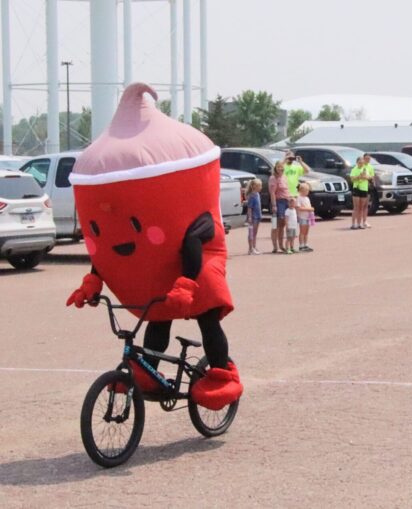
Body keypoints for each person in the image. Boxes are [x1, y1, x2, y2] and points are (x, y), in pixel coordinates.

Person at [66, 83, 242, 410]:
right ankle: (148, 374)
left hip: (198, 263)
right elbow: (106, 244)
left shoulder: (200, 219)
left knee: (206, 316)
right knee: (157, 316)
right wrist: (94, 279)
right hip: (163, 268)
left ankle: (221, 373)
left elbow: (192, 241)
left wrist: (187, 283)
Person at [268, 161, 290, 253]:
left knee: (283, 224)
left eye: (281, 167)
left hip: (286, 201)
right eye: (278, 167)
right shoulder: (273, 178)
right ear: (275, 168)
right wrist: (274, 205)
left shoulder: (284, 177)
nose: (280, 169)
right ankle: (275, 246)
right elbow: (272, 193)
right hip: (278, 202)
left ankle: (281, 245)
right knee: (276, 225)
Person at [350, 157, 371, 229]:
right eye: (359, 163)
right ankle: (353, 223)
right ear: (357, 163)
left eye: (362, 163)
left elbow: (368, 177)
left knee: (361, 207)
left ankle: (359, 223)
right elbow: (352, 179)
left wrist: (365, 176)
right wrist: (359, 176)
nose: (361, 164)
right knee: (356, 207)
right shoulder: (354, 169)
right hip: (356, 188)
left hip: (364, 189)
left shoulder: (365, 169)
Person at [245, 179, 263, 255]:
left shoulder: (257, 194)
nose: (260, 187)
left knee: (255, 233)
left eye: (260, 186)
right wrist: (249, 217)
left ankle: (254, 247)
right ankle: (250, 248)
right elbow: (249, 208)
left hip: (258, 216)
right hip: (253, 217)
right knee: (251, 233)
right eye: (259, 186)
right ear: (254, 186)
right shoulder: (252, 196)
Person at [296, 182, 315, 252]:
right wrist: (308, 209)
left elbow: (309, 206)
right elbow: (298, 208)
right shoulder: (299, 198)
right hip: (302, 217)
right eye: (306, 190)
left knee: (306, 231)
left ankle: (305, 244)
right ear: (302, 190)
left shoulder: (307, 198)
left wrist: (311, 210)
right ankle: (301, 245)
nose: (307, 192)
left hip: (308, 217)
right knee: (302, 231)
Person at [361, 153, 376, 228]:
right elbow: (363, 176)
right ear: (363, 159)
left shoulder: (370, 167)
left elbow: (372, 176)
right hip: (361, 187)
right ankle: (359, 221)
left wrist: (369, 178)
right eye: (366, 158)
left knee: (366, 205)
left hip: (368, 187)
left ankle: (365, 221)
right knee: (361, 205)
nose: (367, 160)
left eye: (369, 159)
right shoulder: (361, 166)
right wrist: (368, 177)